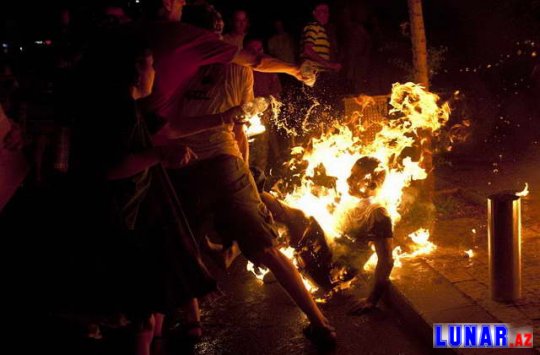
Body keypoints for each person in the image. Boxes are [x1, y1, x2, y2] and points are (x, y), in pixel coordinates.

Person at [148, 1, 337, 347]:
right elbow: (237, 126)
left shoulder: (171, 63)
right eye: (219, 32)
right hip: (222, 161)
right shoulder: (236, 69)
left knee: (180, 245)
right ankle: (319, 322)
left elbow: (167, 123)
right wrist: (245, 173)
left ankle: (189, 322)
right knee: (266, 247)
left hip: (179, 166)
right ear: (212, 33)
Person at [337, 156, 395, 314]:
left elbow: (387, 260)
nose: (348, 179)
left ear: (372, 183)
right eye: (351, 173)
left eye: (355, 176)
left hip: (338, 274)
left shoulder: (378, 213)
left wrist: (372, 300)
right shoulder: (354, 201)